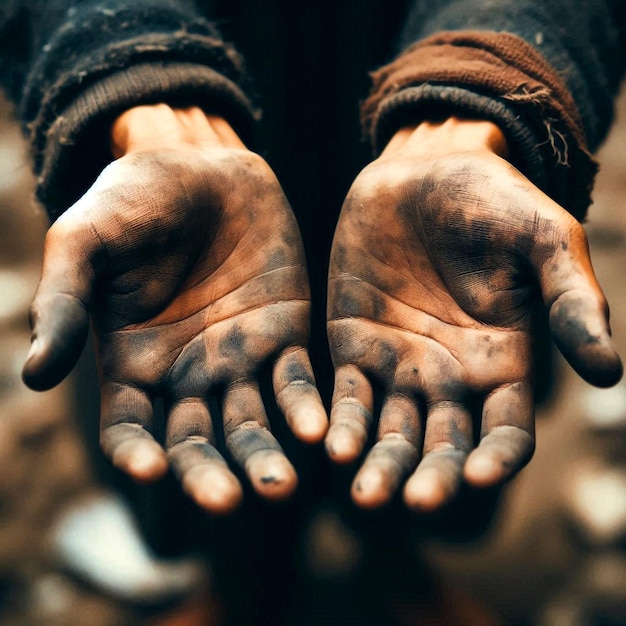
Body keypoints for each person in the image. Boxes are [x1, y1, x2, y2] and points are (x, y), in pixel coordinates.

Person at [0, 0, 624, 622]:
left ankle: (396, 567)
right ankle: (239, 585)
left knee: (424, 421)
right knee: (206, 428)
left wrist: (468, 98)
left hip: (420, 210)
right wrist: (145, 94)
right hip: (201, 236)